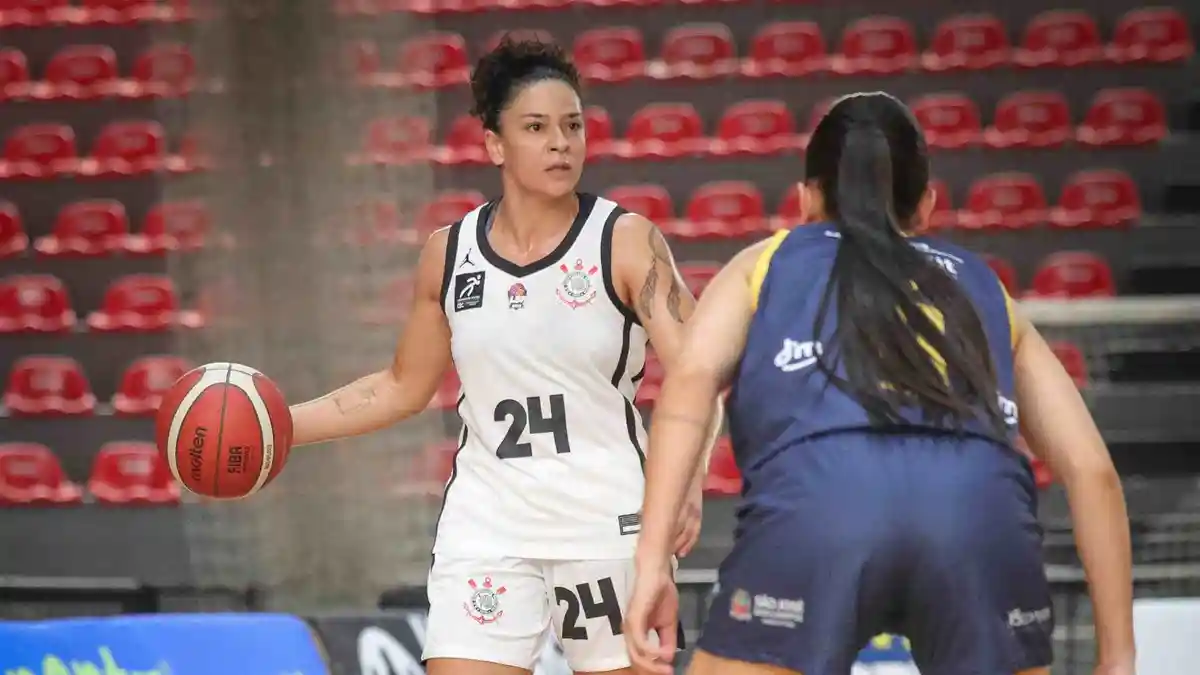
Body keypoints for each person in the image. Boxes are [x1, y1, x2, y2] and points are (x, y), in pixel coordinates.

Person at [623, 92, 1135, 675]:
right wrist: (1117, 656)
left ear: (806, 198)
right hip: (976, 516)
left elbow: (689, 386)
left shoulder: (766, 263)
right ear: (927, 207)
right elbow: (1092, 471)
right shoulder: (983, 287)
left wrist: (652, 562)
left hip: (820, 510)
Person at [287, 37, 720, 675]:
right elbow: (403, 386)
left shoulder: (625, 242)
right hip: (488, 522)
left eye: (573, 126)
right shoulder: (449, 252)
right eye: (537, 127)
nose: (561, 143)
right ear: (494, 144)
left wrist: (690, 481)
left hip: (605, 517)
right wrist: (279, 427)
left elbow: (699, 369)